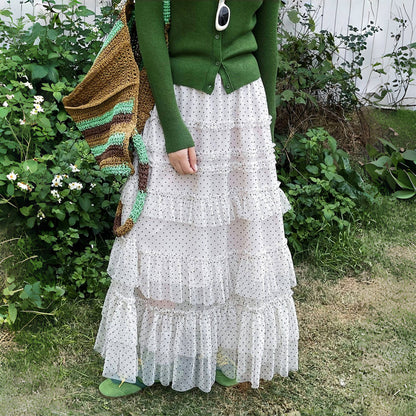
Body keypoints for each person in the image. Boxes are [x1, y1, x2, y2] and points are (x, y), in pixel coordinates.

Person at [94, 0, 299, 397]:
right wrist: (173, 128)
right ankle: (140, 358)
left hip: (244, 111)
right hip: (180, 103)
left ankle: (221, 348)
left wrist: (266, 126)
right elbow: (151, 37)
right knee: (156, 228)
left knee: (234, 232)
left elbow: (266, 42)